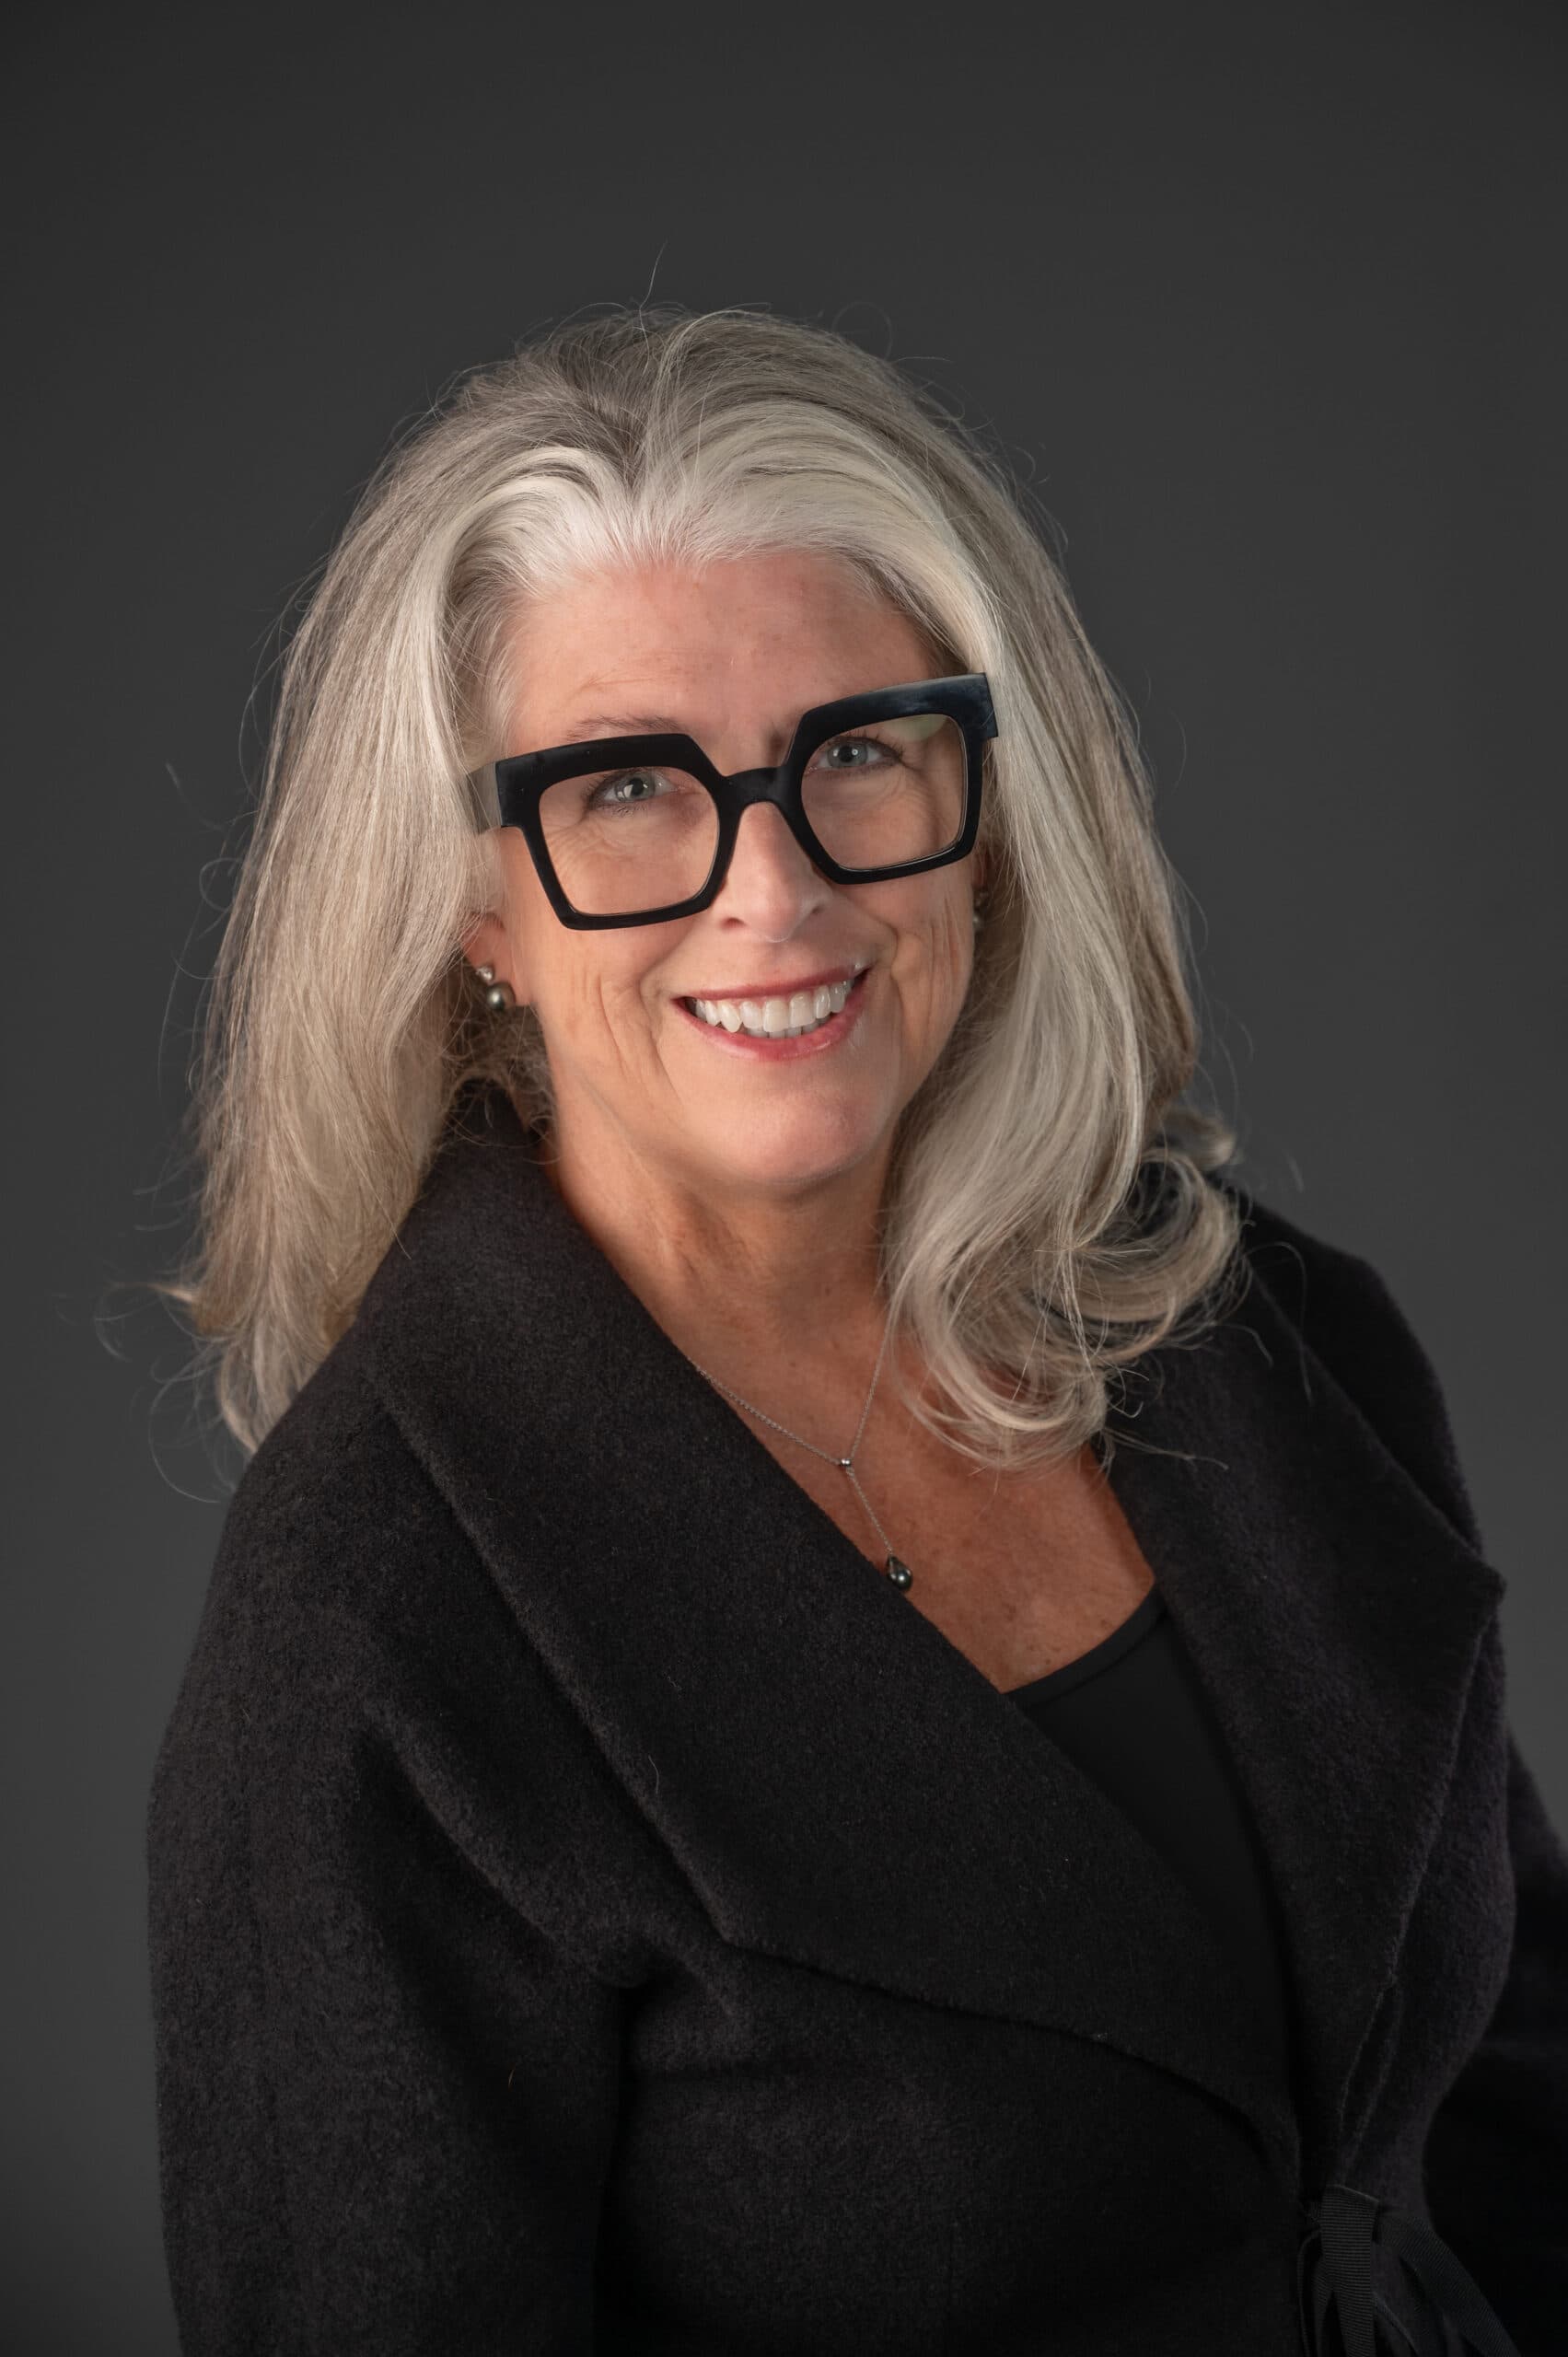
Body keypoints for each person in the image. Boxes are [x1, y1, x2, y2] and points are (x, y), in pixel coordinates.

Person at [144, 304, 1566, 2355]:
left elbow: (1512, 2085)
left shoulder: (1266, 1332)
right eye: (629, 785)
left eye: (862, 750)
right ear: (476, 902)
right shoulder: (376, 1618)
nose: (776, 889)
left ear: (984, 799)